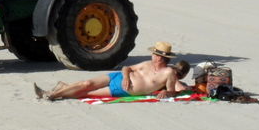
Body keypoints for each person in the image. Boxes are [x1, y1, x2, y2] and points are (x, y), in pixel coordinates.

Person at [35, 41, 191, 100]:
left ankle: (60, 89)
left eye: (157, 55)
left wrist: (166, 93)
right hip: (118, 78)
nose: (154, 57)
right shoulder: (146, 63)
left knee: (85, 93)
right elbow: (126, 68)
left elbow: (172, 91)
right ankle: (51, 94)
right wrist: (126, 77)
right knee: (87, 82)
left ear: (163, 58)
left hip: (124, 90)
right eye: (154, 54)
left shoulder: (168, 73)